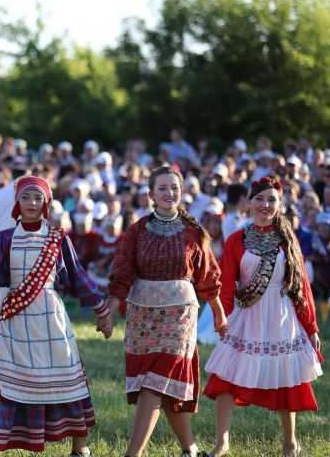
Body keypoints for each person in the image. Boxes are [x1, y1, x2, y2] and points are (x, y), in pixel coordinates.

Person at [0, 175, 113, 457]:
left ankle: (80, 446)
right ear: (17, 202)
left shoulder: (58, 237)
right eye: (26, 197)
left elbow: (78, 277)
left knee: (67, 378)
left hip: (51, 319)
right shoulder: (4, 238)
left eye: (38, 198)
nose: (32, 203)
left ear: (46, 203)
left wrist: (102, 312)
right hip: (13, 319)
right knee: (2, 380)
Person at [107, 166, 227, 457]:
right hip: (142, 315)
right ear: (151, 194)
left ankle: (131, 454)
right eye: (162, 188)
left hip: (179, 314)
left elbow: (208, 278)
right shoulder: (136, 231)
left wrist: (220, 315)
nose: (169, 193)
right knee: (162, 385)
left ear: (181, 192)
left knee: (155, 380)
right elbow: (121, 275)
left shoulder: (194, 233)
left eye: (174, 188)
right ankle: (191, 449)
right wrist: (108, 313)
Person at [203, 177, 323, 457]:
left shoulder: (287, 239)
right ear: (249, 203)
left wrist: (311, 327)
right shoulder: (236, 239)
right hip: (246, 314)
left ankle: (290, 443)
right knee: (226, 377)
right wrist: (223, 317)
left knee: (285, 378)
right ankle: (222, 443)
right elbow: (226, 283)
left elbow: (301, 285)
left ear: (279, 205)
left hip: (281, 314)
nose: (265, 205)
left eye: (271, 200)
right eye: (259, 199)